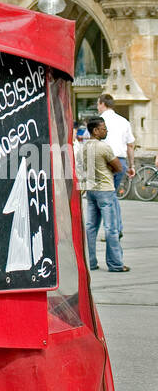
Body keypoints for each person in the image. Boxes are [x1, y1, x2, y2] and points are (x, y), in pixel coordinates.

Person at [82, 116, 130, 273]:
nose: (106, 131)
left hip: (91, 190)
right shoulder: (104, 147)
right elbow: (118, 167)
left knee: (90, 227)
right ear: (95, 131)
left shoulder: (85, 146)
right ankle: (115, 264)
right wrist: (109, 167)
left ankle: (91, 262)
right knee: (111, 228)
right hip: (105, 190)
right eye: (103, 128)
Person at [96, 93, 134, 239]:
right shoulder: (124, 121)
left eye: (98, 104)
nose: (97, 107)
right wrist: (132, 166)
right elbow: (130, 145)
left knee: (107, 197)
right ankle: (117, 228)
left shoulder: (99, 121)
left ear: (103, 104)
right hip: (121, 161)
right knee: (112, 195)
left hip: (105, 161)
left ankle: (112, 230)